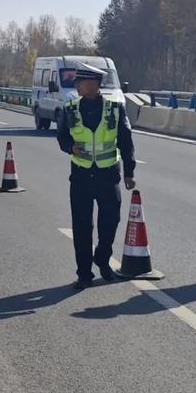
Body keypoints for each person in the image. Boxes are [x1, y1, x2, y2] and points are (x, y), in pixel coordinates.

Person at [56, 63, 137, 289]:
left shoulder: (115, 109)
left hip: (108, 175)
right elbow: (62, 137)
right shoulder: (70, 108)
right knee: (82, 227)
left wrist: (130, 172)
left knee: (110, 222)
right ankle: (84, 274)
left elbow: (126, 141)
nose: (76, 86)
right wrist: (71, 148)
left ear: (93, 84)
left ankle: (102, 257)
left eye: (79, 82)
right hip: (81, 176)